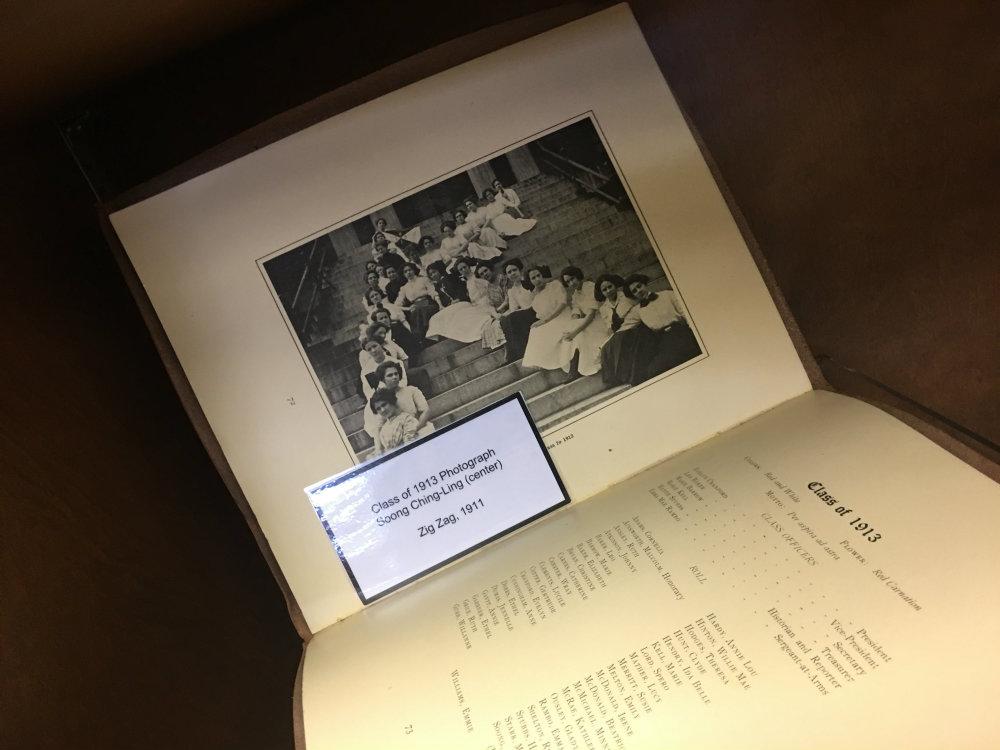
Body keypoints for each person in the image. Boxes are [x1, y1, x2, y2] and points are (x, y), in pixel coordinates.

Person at [624, 273, 701, 380]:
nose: (638, 291)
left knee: (688, 356)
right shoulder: (637, 311)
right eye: (634, 291)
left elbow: (685, 313)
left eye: (639, 286)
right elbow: (624, 327)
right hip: (663, 341)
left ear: (644, 284)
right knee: (654, 370)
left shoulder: (667, 294)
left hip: (681, 333)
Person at [363, 360, 434, 448]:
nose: (395, 377)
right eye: (390, 375)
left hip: (416, 427)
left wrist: (414, 430)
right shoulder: (381, 398)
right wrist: (378, 449)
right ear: (382, 379)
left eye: (396, 374)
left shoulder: (411, 390)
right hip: (396, 435)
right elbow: (379, 427)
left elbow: (426, 411)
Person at [521, 265, 576, 372]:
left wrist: (545, 321)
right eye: (533, 278)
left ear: (542, 275)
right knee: (535, 330)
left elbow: (562, 304)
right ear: (530, 281)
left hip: (563, 316)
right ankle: (548, 361)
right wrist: (542, 321)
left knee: (540, 330)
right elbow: (541, 314)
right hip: (551, 321)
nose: (537, 279)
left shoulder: (555, 285)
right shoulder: (534, 296)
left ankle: (563, 363)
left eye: (538, 275)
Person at [558, 266, 611, 377]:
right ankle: (574, 367)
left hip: (599, 321)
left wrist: (573, 332)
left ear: (578, 276)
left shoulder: (591, 287)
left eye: (573, 279)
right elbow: (576, 309)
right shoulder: (575, 294)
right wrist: (573, 322)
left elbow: (591, 315)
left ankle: (575, 368)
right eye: (568, 282)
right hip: (588, 322)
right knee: (571, 327)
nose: (571, 283)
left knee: (578, 333)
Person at [595, 274, 644, 386]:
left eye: (610, 286)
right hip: (618, 332)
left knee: (621, 339)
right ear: (601, 292)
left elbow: (638, 311)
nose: (608, 291)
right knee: (606, 348)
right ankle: (612, 379)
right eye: (604, 289)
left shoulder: (627, 297)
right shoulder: (603, 308)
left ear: (615, 285)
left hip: (634, 328)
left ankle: (626, 374)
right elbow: (609, 326)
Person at [498, 258, 537, 364]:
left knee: (514, 317)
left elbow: (538, 300)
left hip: (536, 312)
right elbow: (513, 309)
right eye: (509, 272)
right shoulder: (511, 291)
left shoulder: (530, 282)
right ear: (507, 276)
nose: (512, 273)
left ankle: (517, 352)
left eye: (514, 270)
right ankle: (515, 352)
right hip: (524, 316)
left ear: (520, 270)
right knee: (505, 320)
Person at [395, 263, 440, 341]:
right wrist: (408, 308)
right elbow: (397, 305)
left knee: (421, 311)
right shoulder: (404, 288)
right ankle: (424, 338)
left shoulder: (423, 279)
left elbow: (432, 291)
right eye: (405, 271)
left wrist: (440, 304)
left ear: (414, 270)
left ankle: (428, 335)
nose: (408, 272)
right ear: (403, 274)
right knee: (416, 312)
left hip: (428, 303)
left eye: (410, 270)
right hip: (415, 308)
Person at [370, 388, 422, 455]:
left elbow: (410, 444)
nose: (382, 410)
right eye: (378, 408)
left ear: (391, 402)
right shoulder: (384, 428)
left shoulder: (406, 419)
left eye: (384, 404)